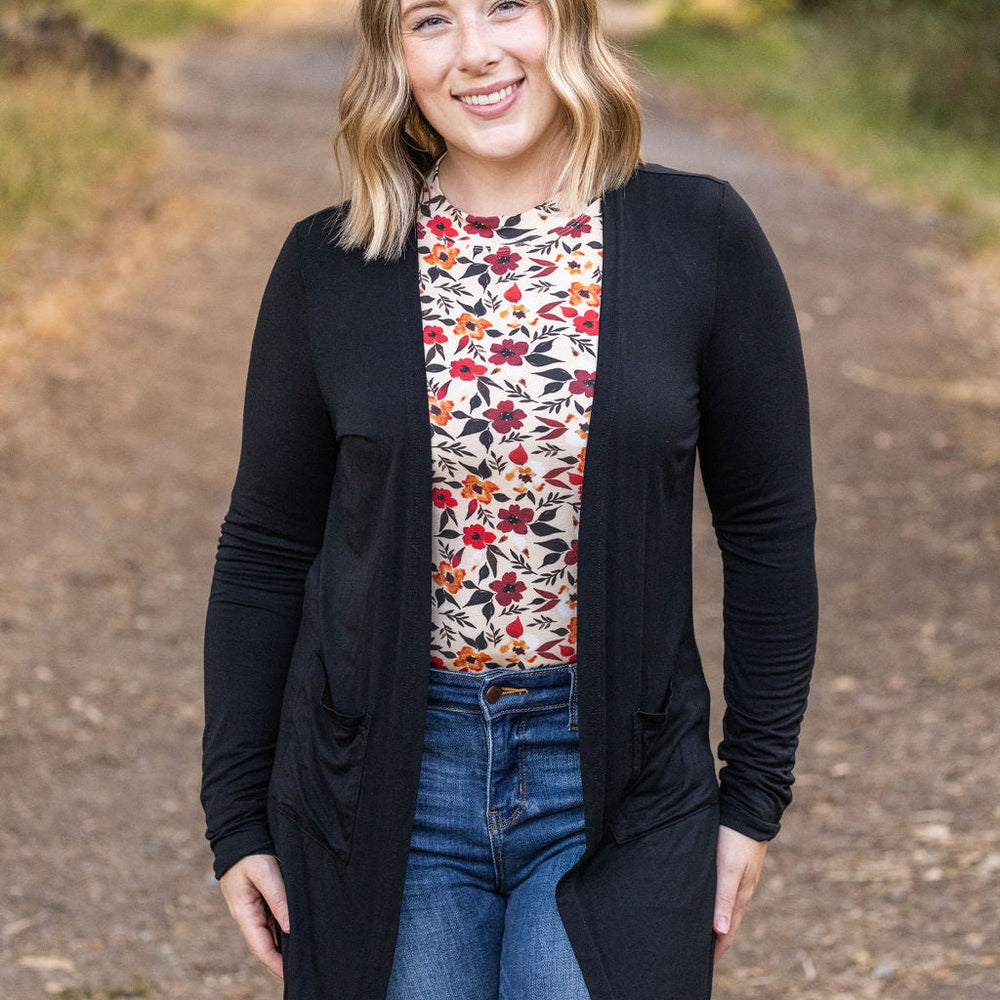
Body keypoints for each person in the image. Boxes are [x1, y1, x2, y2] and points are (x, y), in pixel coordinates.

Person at [199, 0, 818, 996]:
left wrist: (750, 799)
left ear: (566, 23)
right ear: (393, 54)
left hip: (623, 782)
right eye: (430, 19)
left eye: (505, 7)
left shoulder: (697, 235)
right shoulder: (330, 263)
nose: (475, 51)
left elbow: (768, 528)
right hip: (380, 785)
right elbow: (267, 546)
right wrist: (234, 819)